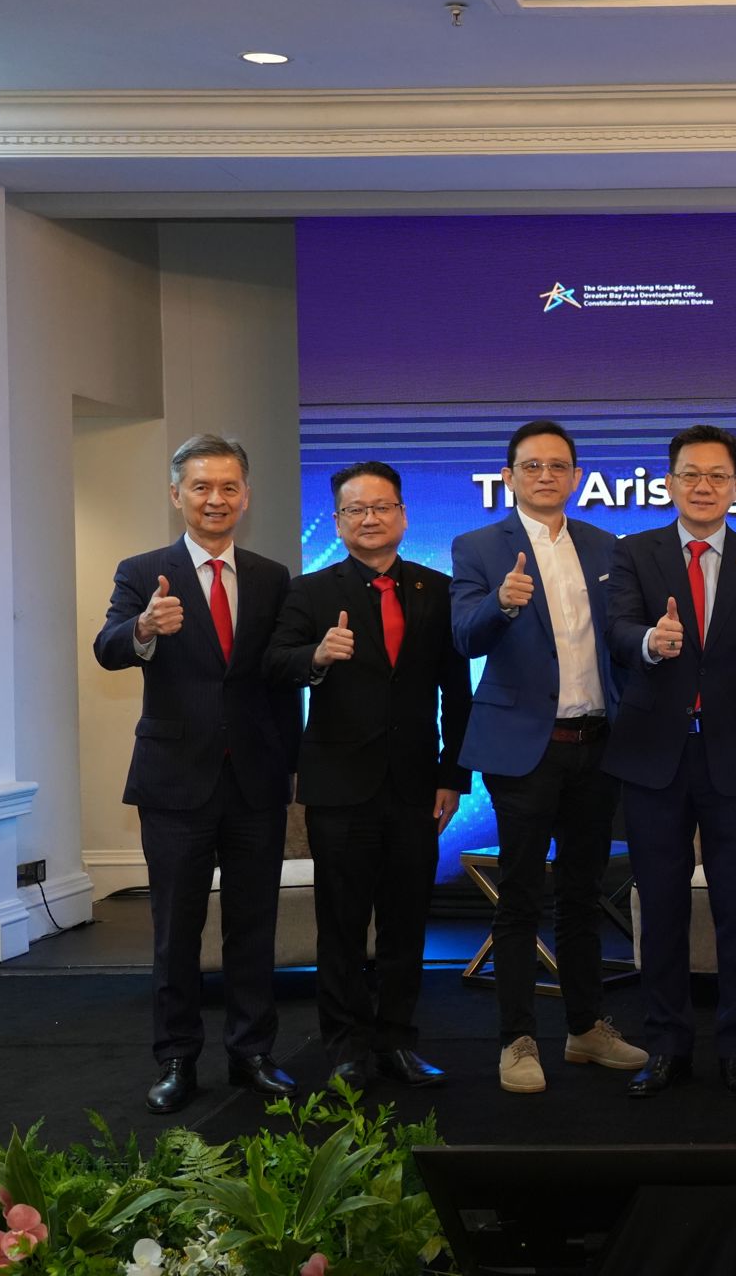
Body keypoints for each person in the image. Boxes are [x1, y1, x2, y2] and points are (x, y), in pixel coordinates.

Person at [92, 434, 301, 1115]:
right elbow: (108, 645)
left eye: (230, 487)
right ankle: (178, 1059)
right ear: (176, 493)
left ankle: (252, 1054)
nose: (217, 499)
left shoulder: (272, 577)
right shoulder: (141, 570)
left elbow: (277, 677)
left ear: (246, 494)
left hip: (256, 784)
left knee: (253, 924)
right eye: (203, 487)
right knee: (175, 929)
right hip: (175, 782)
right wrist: (145, 630)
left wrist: (294, 756)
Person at [450, 421, 648, 1094]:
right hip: (523, 754)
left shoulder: (603, 546)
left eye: (557, 465)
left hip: (596, 745)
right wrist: (501, 607)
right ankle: (517, 1039)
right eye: (530, 465)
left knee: (583, 895)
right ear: (508, 477)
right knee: (520, 900)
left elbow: (618, 638)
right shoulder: (477, 547)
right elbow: (464, 638)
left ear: (576, 476)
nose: (544, 475)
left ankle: (587, 1028)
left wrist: (652, 639)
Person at [603, 424, 736, 1099]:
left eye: (718, 475)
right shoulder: (636, 554)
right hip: (654, 759)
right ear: (669, 483)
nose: (704, 486)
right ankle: (664, 1046)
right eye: (691, 474)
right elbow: (618, 630)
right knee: (659, 909)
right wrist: (651, 643)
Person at [264, 460, 470, 1091]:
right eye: (356, 510)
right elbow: (274, 663)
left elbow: (456, 691)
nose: (370, 519)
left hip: (415, 785)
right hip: (338, 785)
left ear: (403, 515)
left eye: (382, 507)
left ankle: (399, 1042)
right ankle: (346, 1048)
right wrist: (317, 657)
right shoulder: (310, 591)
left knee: (408, 922)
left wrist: (453, 774)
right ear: (338, 521)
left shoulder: (438, 590)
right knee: (343, 925)